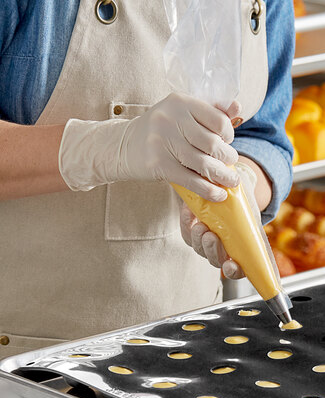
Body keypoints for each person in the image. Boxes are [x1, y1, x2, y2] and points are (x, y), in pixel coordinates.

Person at [0, 0, 295, 358]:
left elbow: (264, 137)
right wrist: (111, 147)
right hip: (27, 361)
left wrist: (240, 182)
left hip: (195, 344)